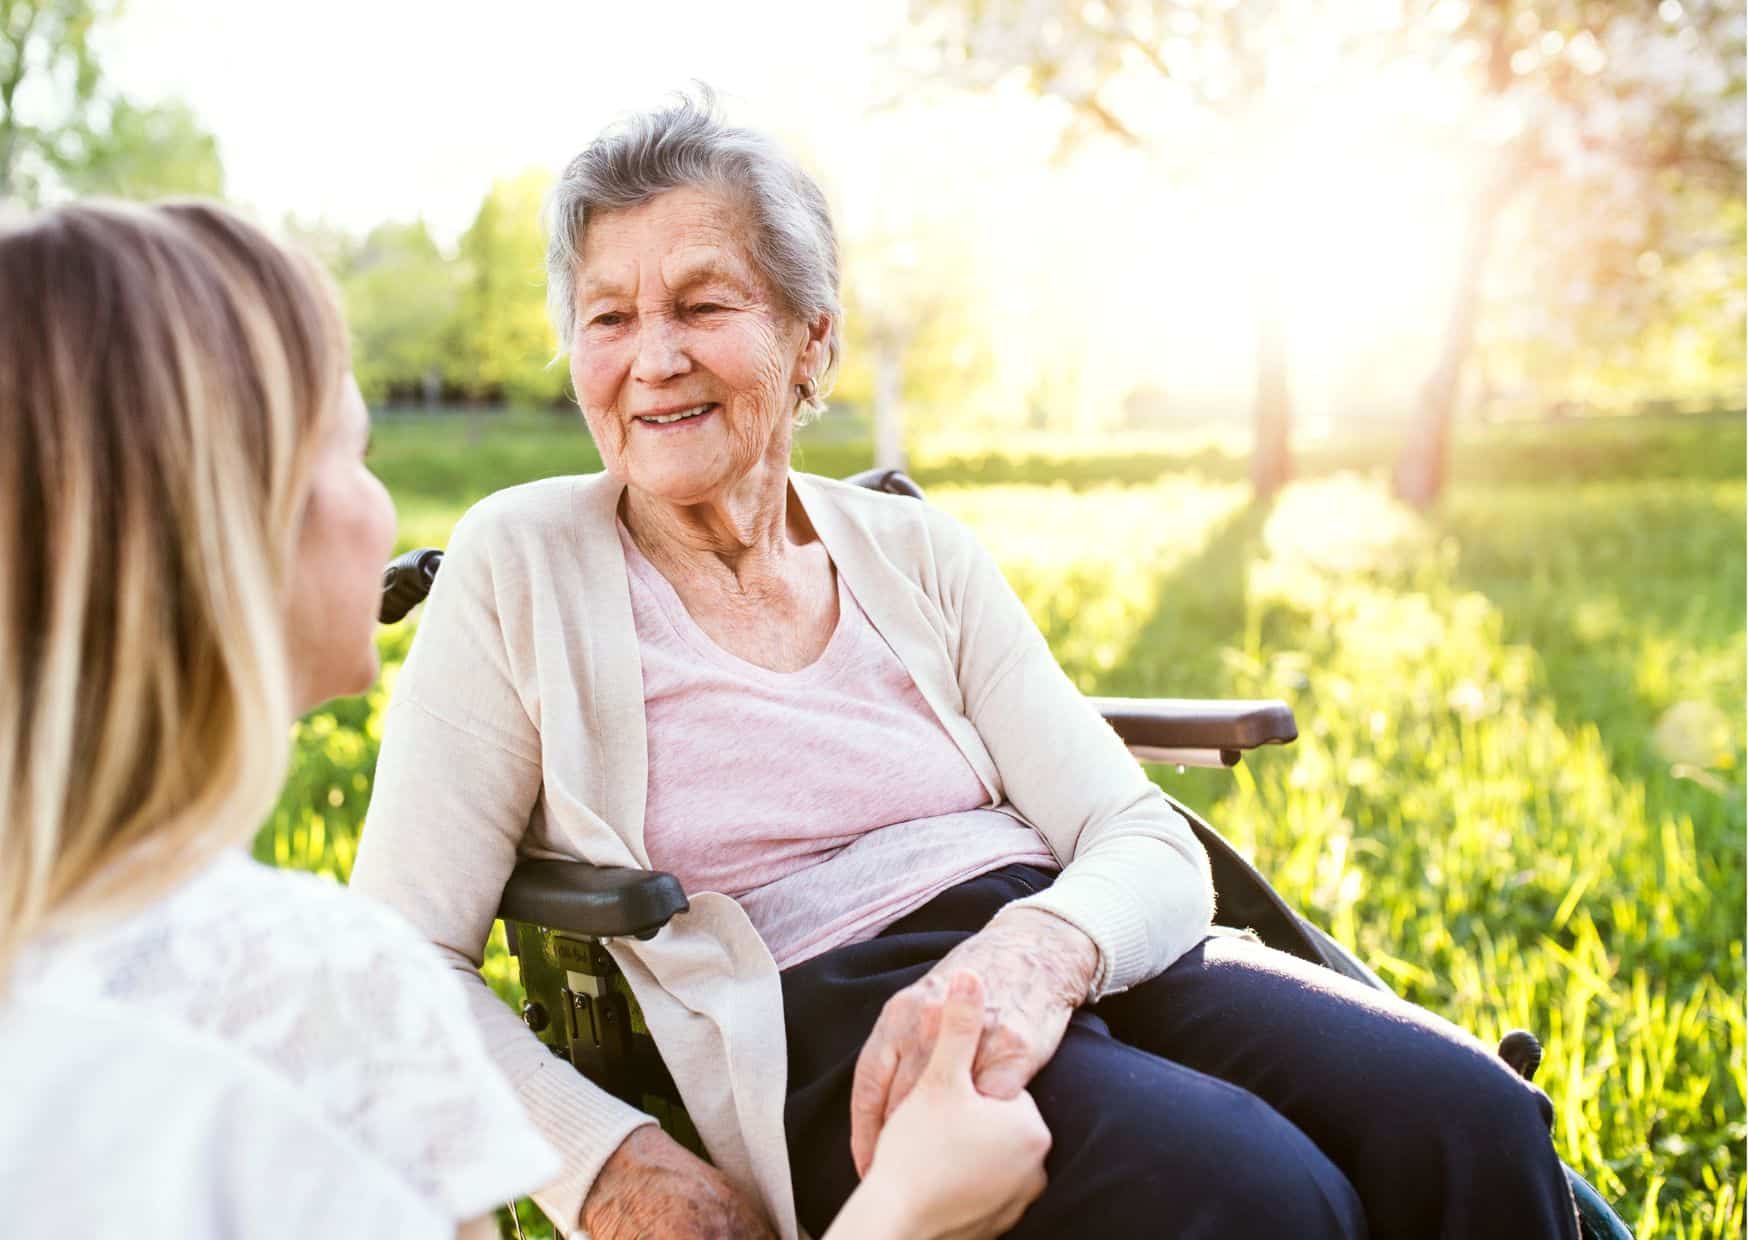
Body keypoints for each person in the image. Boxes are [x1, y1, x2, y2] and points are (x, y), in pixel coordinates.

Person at [351, 88, 1583, 1240]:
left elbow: (1137, 835)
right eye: (608, 318)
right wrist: (605, 1160)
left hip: (1053, 932)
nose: (650, 356)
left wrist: (1035, 955)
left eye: (702, 304)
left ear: (809, 342)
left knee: (1468, 1116)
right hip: (825, 1018)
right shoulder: (522, 559)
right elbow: (398, 959)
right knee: (1255, 1194)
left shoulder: (912, 548)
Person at [0, 199, 1048, 1240]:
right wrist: (909, 1212)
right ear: (227, 527)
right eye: (355, 451)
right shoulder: (318, 988)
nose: (382, 510)